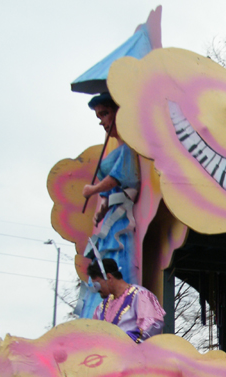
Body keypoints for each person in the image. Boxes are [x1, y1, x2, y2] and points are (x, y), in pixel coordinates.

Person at [81, 92, 140, 318]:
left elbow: (117, 178)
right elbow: (110, 190)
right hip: (112, 218)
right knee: (104, 257)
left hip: (122, 220)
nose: (102, 122)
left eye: (105, 114)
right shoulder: (117, 151)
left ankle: (119, 310)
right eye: (99, 117)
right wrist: (102, 209)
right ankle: (99, 310)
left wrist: (93, 189)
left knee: (117, 256)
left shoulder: (127, 150)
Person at [87, 258, 165, 342]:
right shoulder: (101, 307)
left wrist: (125, 343)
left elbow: (152, 325)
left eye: (97, 284)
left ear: (109, 277)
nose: (96, 289)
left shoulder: (141, 295)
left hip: (134, 349)